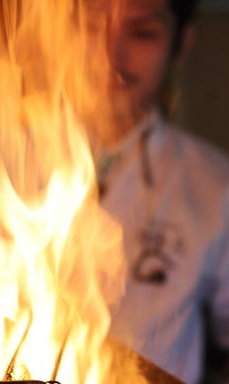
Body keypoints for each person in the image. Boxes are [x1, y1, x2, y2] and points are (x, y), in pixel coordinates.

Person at [85, 0, 229, 383]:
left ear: (182, 42)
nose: (111, 53)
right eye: (93, 27)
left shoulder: (214, 185)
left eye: (143, 33)